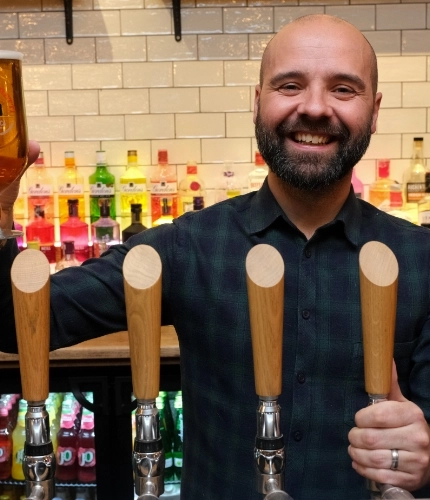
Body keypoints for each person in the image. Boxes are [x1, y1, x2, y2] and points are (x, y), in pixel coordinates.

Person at [2, 14, 430, 499]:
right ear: (257, 102)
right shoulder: (185, 247)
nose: (314, 107)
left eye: (343, 89)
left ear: (374, 111)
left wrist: (424, 455)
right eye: (289, 85)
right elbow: (16, 322)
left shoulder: (421, 261)